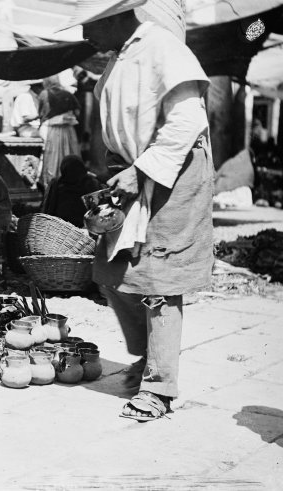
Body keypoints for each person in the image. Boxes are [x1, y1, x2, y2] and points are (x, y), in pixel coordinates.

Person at [61, 0, 213, 422]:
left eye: (90, 26)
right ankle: (148, 358)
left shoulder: (164, 48)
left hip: (173, 170)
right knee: (113, 273)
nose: (85, 37)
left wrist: (141, 171)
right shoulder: (118, 59)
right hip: (131, 170)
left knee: (159, 279)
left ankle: (160, 388)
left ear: (114, 18)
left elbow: (186, 123)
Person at [37, 75, 81, 188]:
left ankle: (52, 184)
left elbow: (40, 113)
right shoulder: (67, 94)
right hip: (68, 130)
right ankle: (71, 181)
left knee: (52, 157)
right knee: (68, 153)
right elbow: (77, 112)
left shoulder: (44, 94)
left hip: (53, 129)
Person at [41, 155, 103, 228]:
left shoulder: (57, 184)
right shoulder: (90, 182)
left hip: (63, 228)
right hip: (72, 228)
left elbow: (48, 209)